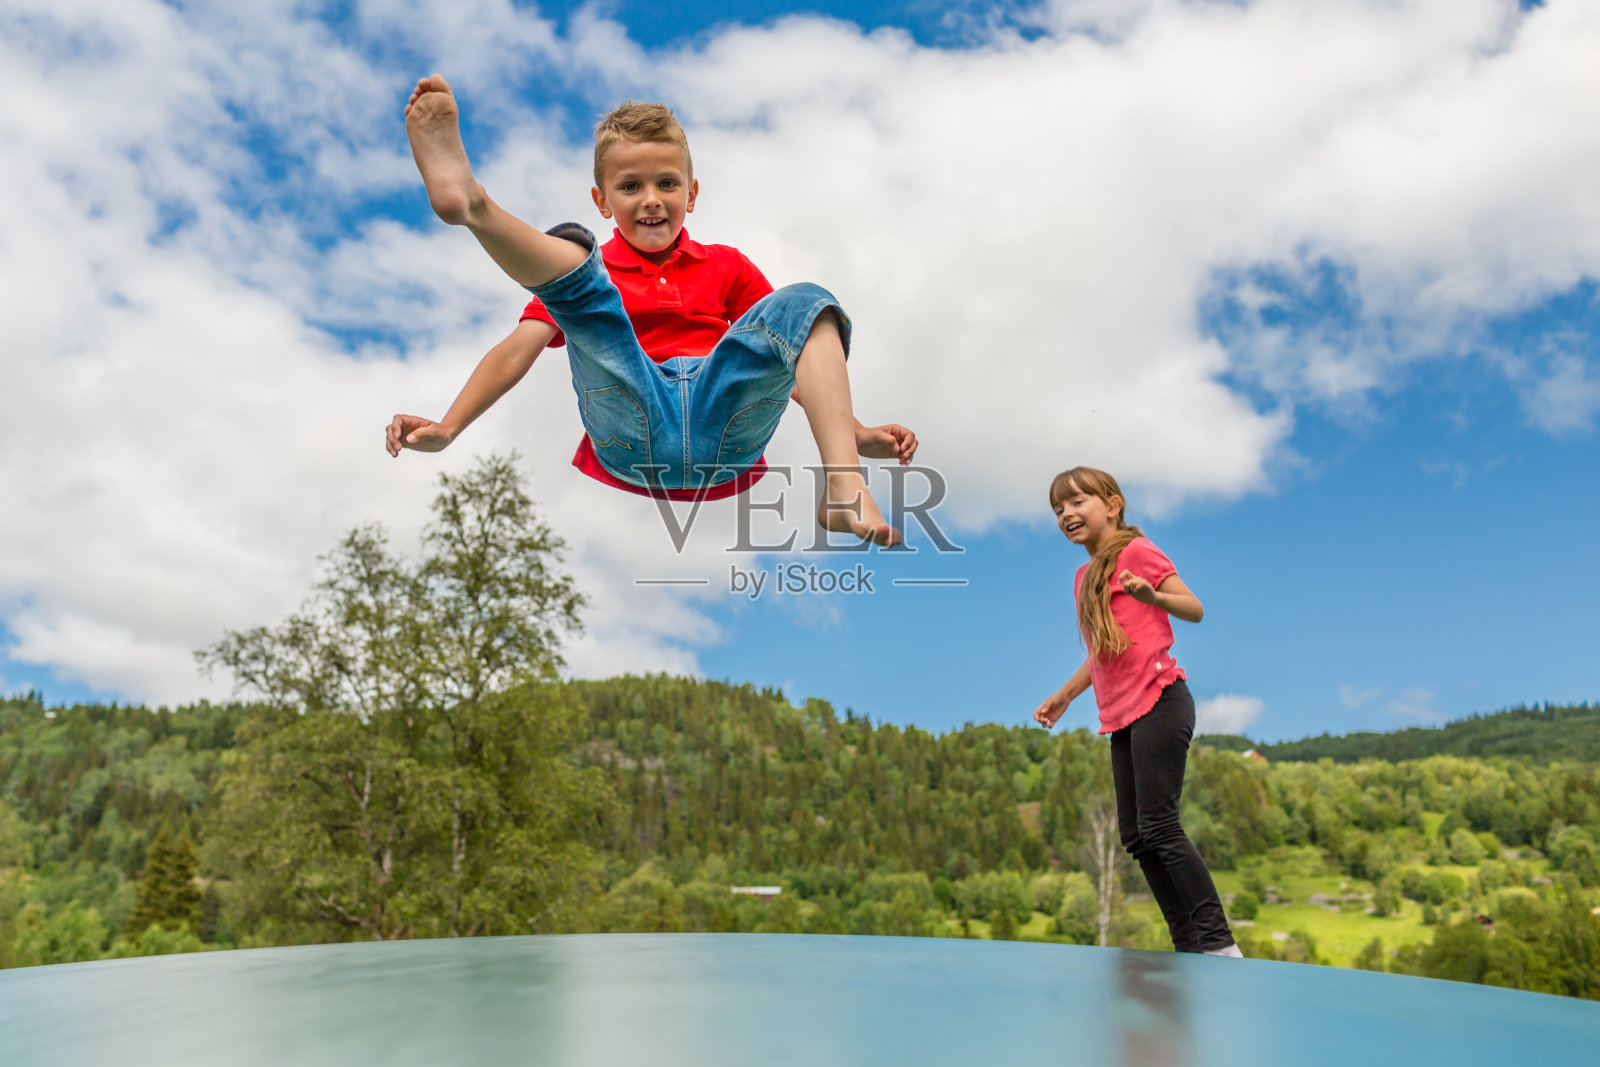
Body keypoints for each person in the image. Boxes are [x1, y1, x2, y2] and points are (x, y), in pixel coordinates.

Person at [385, 76, 917, 545]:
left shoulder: (727, 266)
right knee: (577, 267)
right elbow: (514, 353)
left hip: (722, 424)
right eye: (630, 187)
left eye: (667, 183)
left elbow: (785, 357)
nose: (651, 199)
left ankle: (844, 488)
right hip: (634, 418)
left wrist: (856, 432)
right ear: (603, 199)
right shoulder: (600, 277)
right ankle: (475, 208)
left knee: (806, 306)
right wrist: (450, 426)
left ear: (692, 193)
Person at [1031, 467, 1242, 957]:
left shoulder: (1137, 553)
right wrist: (1065, 695)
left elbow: (1194, 608)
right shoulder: (1084, 577)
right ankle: (1187, 945)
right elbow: (1103, 652)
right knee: (1135, 836)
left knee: (1161, 826)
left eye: (1077, 502)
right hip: (1121, 716)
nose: (1066, 514)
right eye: (1058, 508)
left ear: (1112, 504)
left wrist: (1153, 595)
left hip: (1161, 699)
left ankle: (1219, 943)